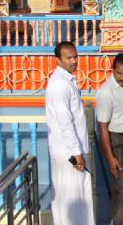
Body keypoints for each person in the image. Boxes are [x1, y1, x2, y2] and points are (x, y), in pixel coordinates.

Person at [46, 41, 94, 225]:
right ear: (58, 60)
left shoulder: (67, 80)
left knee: (80, 198)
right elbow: (64, 121)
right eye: (69, 58)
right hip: (69, 152)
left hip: (74, 149)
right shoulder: (59, 84)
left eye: (75, 57)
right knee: (70, 199)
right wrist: (75, 151)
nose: (74, 61)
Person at [96, 53, 123, 225]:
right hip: (116, 142)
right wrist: (110, 157)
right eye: (118, 73)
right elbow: (102, 127)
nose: (122, 77)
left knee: (119, 185)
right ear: (113, 70)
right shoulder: (106, 92)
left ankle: (121, 216)